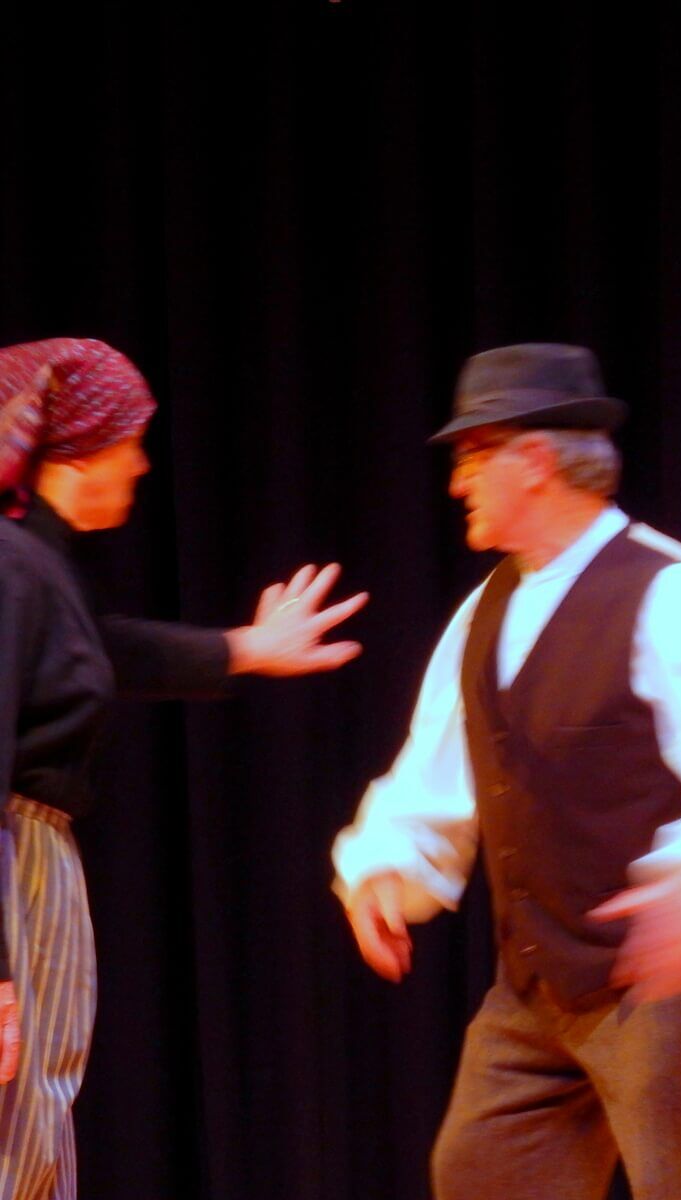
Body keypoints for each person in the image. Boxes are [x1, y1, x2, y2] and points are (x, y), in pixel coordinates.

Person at [332, 343, 681, 1200]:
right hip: (539, 983)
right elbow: (440, 764)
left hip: (669, 978)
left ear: (534, 461)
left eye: (472, 456)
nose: (457, 483)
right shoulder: (487, 610)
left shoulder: (670, 592)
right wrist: (387, 864)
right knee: (483, 1173)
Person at [0, 336, 367, 1198]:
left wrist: (245, 649)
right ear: (76, 450)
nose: (141, 463)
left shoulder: (35, 565)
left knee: (34, 1120)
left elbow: (96, 652)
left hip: (36, 857)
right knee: (17, 1125)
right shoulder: (11, 566)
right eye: (129, 440)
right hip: (15, 860)